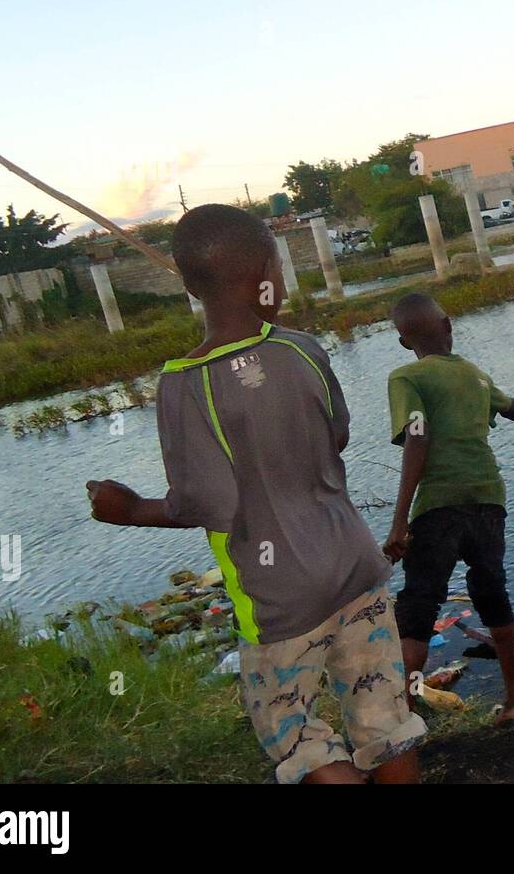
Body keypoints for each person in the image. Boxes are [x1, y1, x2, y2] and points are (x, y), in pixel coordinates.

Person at [86, 204, 426, 782]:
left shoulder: (183, 382)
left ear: (191, 286)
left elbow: (202, 504)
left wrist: (125, 509)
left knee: (301, 739)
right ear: (270, 269)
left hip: (277, 599)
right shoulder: (305, 350)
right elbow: (335, 437)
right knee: (384, 718)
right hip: (354, 565)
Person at [383, 293, 514, 724]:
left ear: (404, 342)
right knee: (491, 593)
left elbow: (418, 437)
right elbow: (511, 405)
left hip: (439, 507)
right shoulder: (474, 374)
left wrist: (399, 520)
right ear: (448, 326)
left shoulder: (406, 376)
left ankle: (403, 719)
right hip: (487, 501)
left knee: (419, 604)